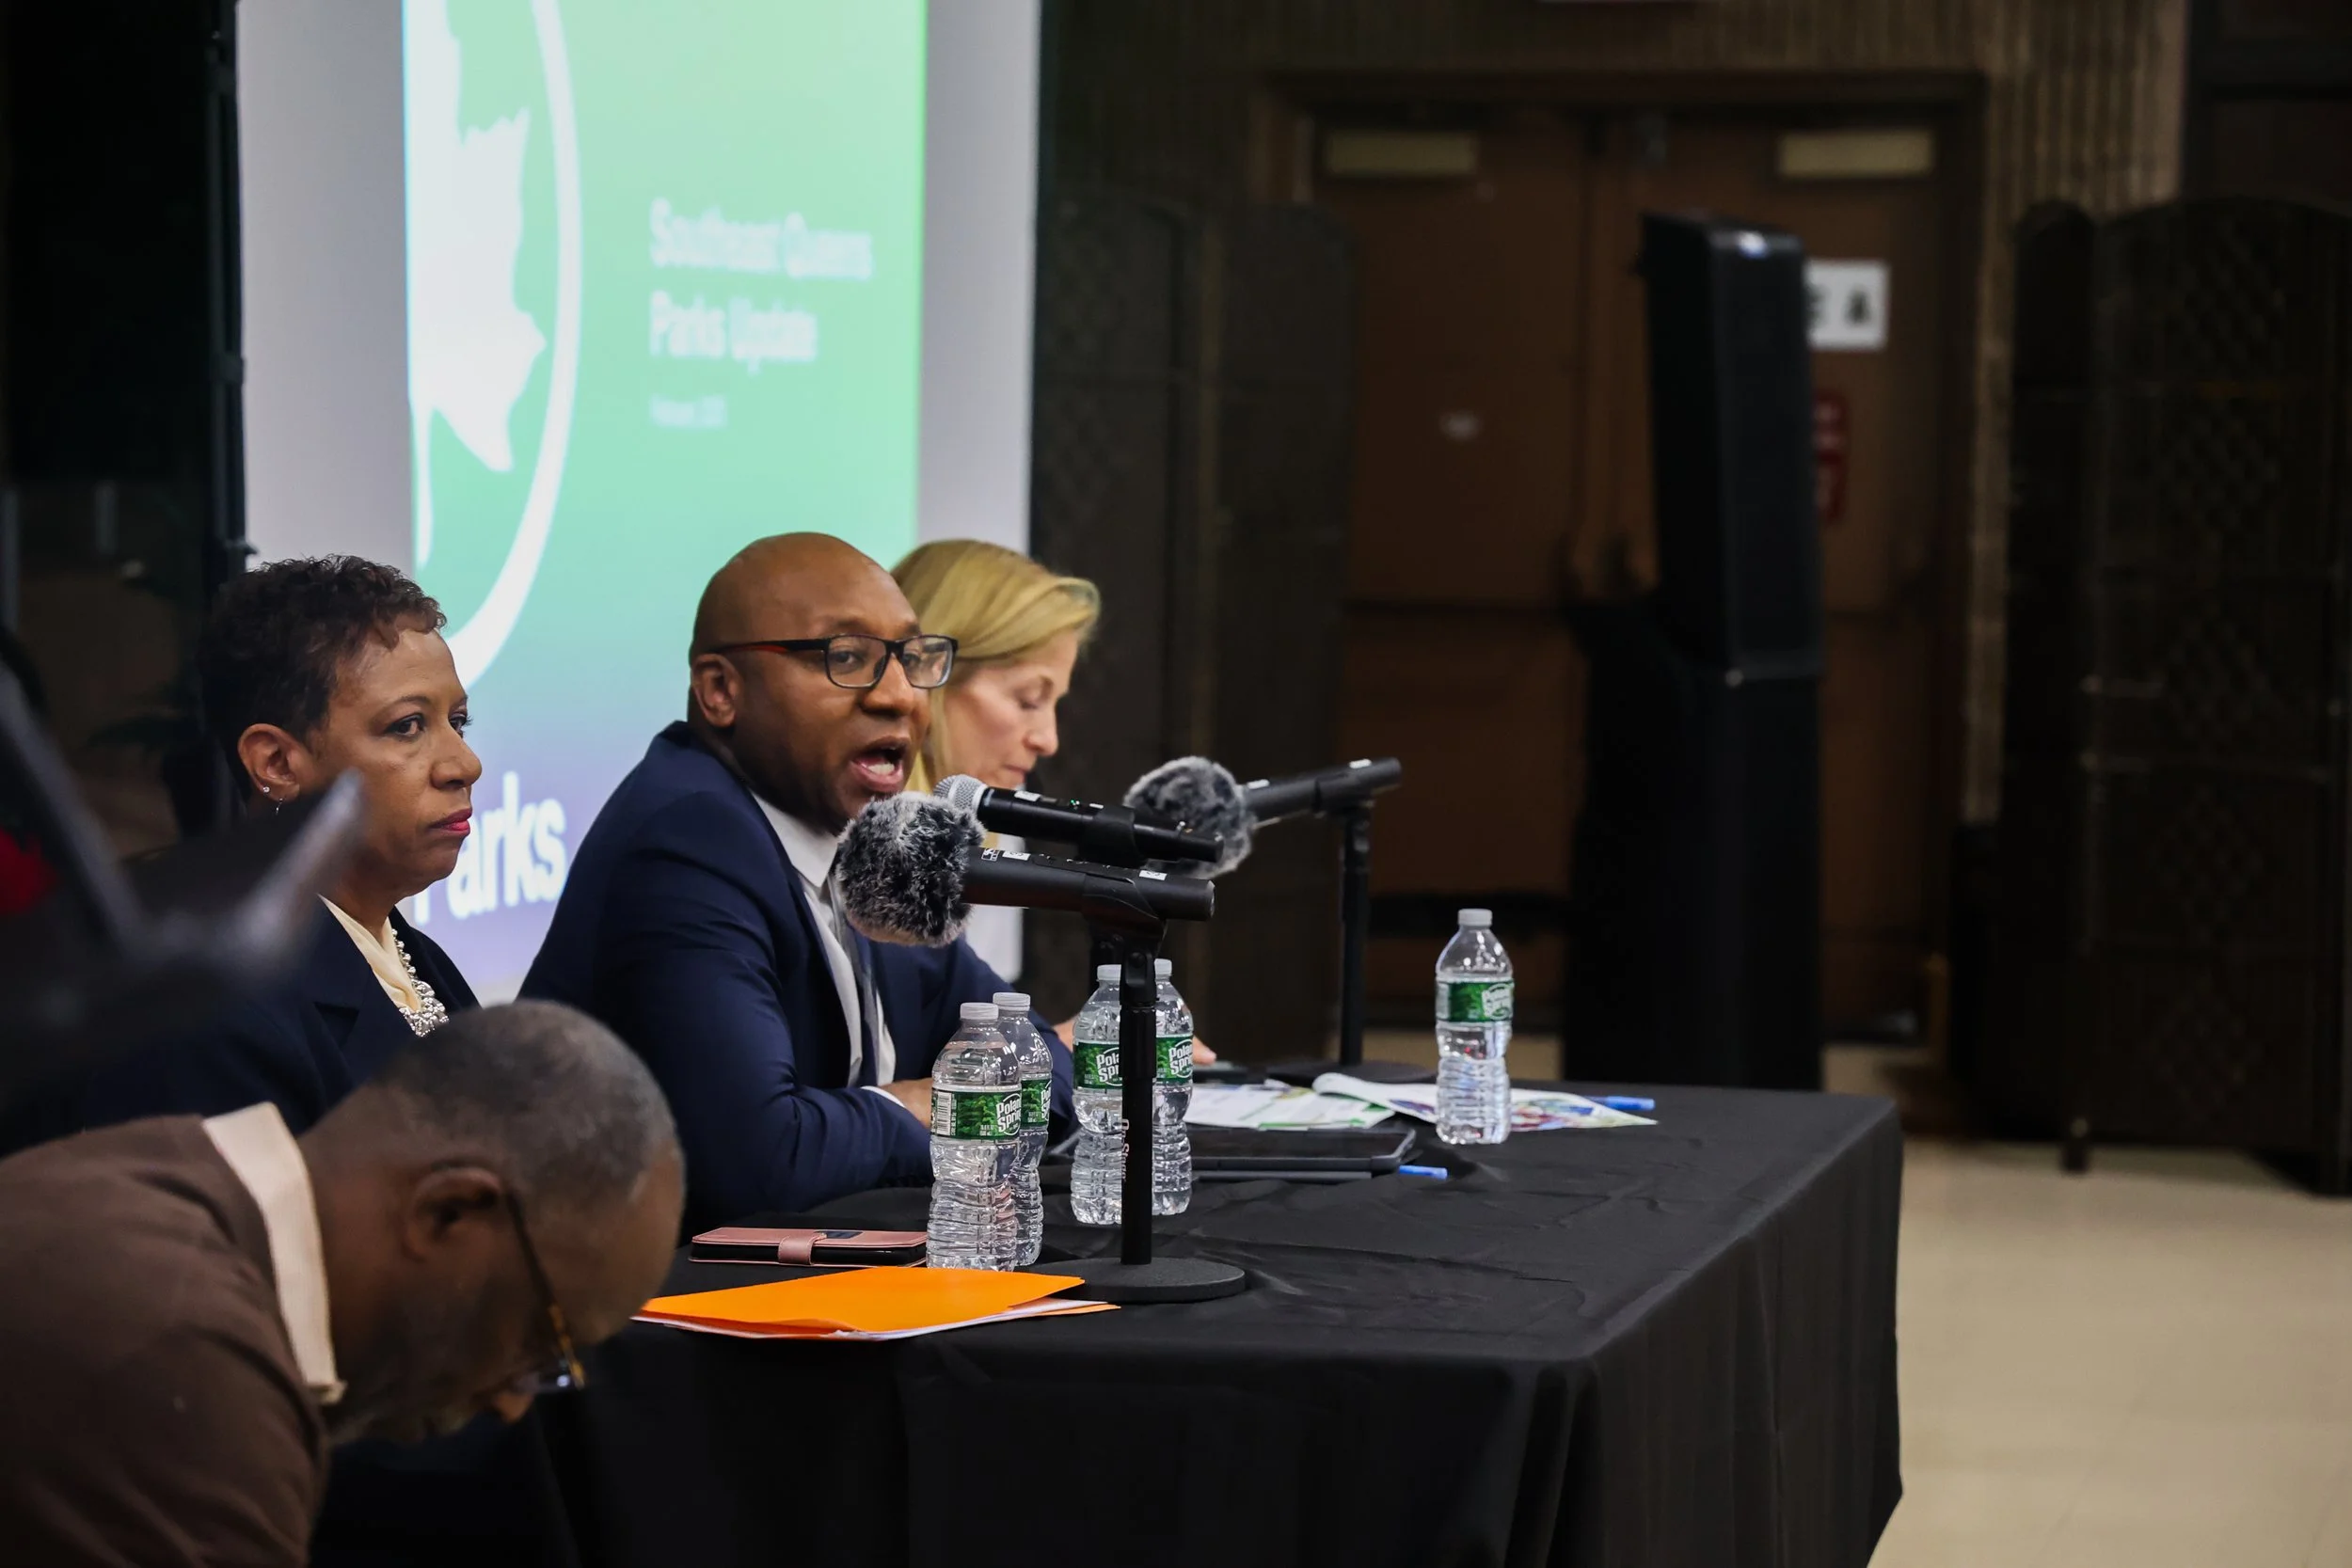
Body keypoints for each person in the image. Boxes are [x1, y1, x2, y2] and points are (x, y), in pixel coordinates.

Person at [0, 1001, 684, 1567]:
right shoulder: (198, 1369)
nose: (511, 1404)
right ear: (448, 1211)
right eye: (540, 1339)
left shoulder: (155, 1170)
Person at [523, 532, 1073, 1227]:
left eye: (912, 659)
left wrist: (945, 1103)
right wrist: (913, 1107)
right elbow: (761, 1159)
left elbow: (1041, 1064)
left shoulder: (861, 839)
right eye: (847, 659)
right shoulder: (690, 839)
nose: (900, 696)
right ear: (721, 691)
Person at [0, 556, 482, 1152]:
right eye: (407, 726)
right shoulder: (213, 1025)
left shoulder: (416, 957)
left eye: (458, 722)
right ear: (276, 763)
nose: (465, 764)